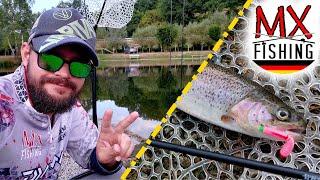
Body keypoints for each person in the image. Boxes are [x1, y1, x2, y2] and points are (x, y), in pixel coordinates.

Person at [0, 8, 139, 179]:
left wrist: (107, 158)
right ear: (26, 54)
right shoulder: (3, 105)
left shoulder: (69, 106)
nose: (64, 75)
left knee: (115, 174)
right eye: (51, 60)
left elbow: (92, 154)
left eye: (79, 66)